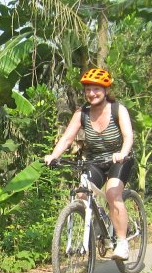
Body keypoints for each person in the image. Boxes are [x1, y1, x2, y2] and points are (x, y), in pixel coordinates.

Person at [43, 68, 135, 261]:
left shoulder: (118, 109)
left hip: (119, 159)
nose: (91, 93)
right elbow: (67, 138)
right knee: (82, 195)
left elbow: (128, 136)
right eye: (88, 90)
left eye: (96, 89)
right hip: (95, 160)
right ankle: (99, 231)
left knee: (112, 193)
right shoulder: (82, 113)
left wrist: (122, 153)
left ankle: (122, 242)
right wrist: (54, 155)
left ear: (106, 90)